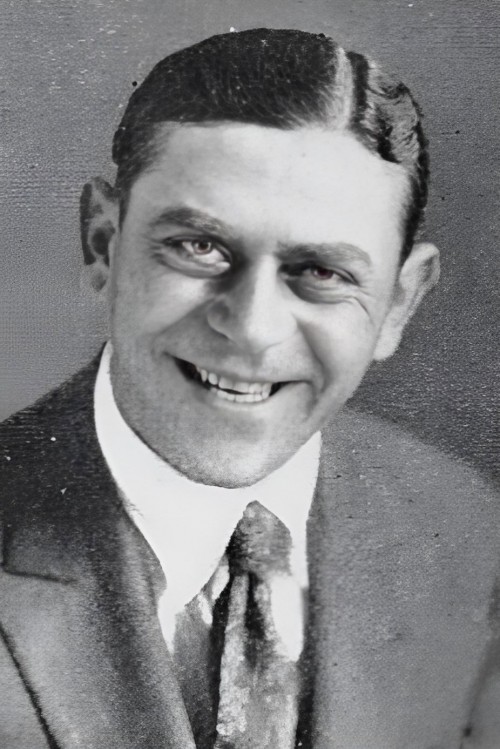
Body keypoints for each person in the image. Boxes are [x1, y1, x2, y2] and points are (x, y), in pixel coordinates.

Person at [0, 27, 498, 749]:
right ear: (103, 245)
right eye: (199, 247)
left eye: (322, 272)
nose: (254, 328)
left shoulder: (462, 526)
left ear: (399, 303)